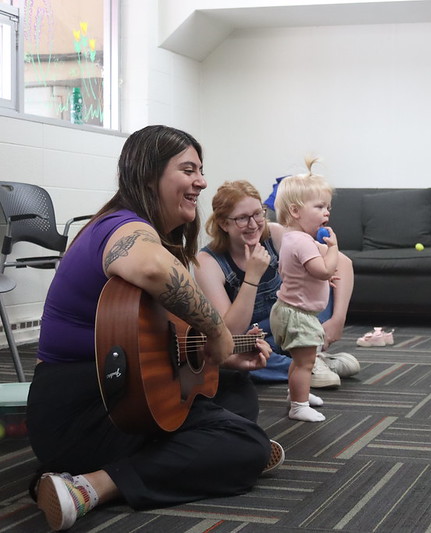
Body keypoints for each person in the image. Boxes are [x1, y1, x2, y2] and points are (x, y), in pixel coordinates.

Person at [25, 126, 280, 531]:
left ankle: (208, 447)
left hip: (124, 391)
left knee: (233, 388)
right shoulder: (122, 226)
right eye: (188, 169)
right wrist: (216, 333)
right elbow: (150, 267)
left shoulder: (145, 231)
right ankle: (90, 486)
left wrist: (225, 355)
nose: (202, 181)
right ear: (148, 176)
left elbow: (153, 342)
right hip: (81, 408)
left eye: (201, 169)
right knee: (247, 444)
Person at [194, 180, 359, 391]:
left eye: (258, 213)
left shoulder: (275, 234)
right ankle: (310, 364)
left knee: (323, 279)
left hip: (292, 321)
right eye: (242, 218)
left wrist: (338, 319)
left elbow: (343, 264)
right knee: (239, 360)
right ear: (224, 223)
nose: (253, 224)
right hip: (257, 339)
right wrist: (251, 277)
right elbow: (230, 333)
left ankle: (308, 360)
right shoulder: (208, 262)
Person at [269, 158, 339, 422]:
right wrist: (333, 249)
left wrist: (320, 281)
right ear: (296, 211)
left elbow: (301, 273)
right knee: (304, 362)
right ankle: (298, 406)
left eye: (327, 207)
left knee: (300, 361)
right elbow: (323, 270)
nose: (326, 213)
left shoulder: (292, 238)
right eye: (319, 206)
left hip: (290, 310)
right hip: (297, 315)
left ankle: (298, 393)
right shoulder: (305, 242)